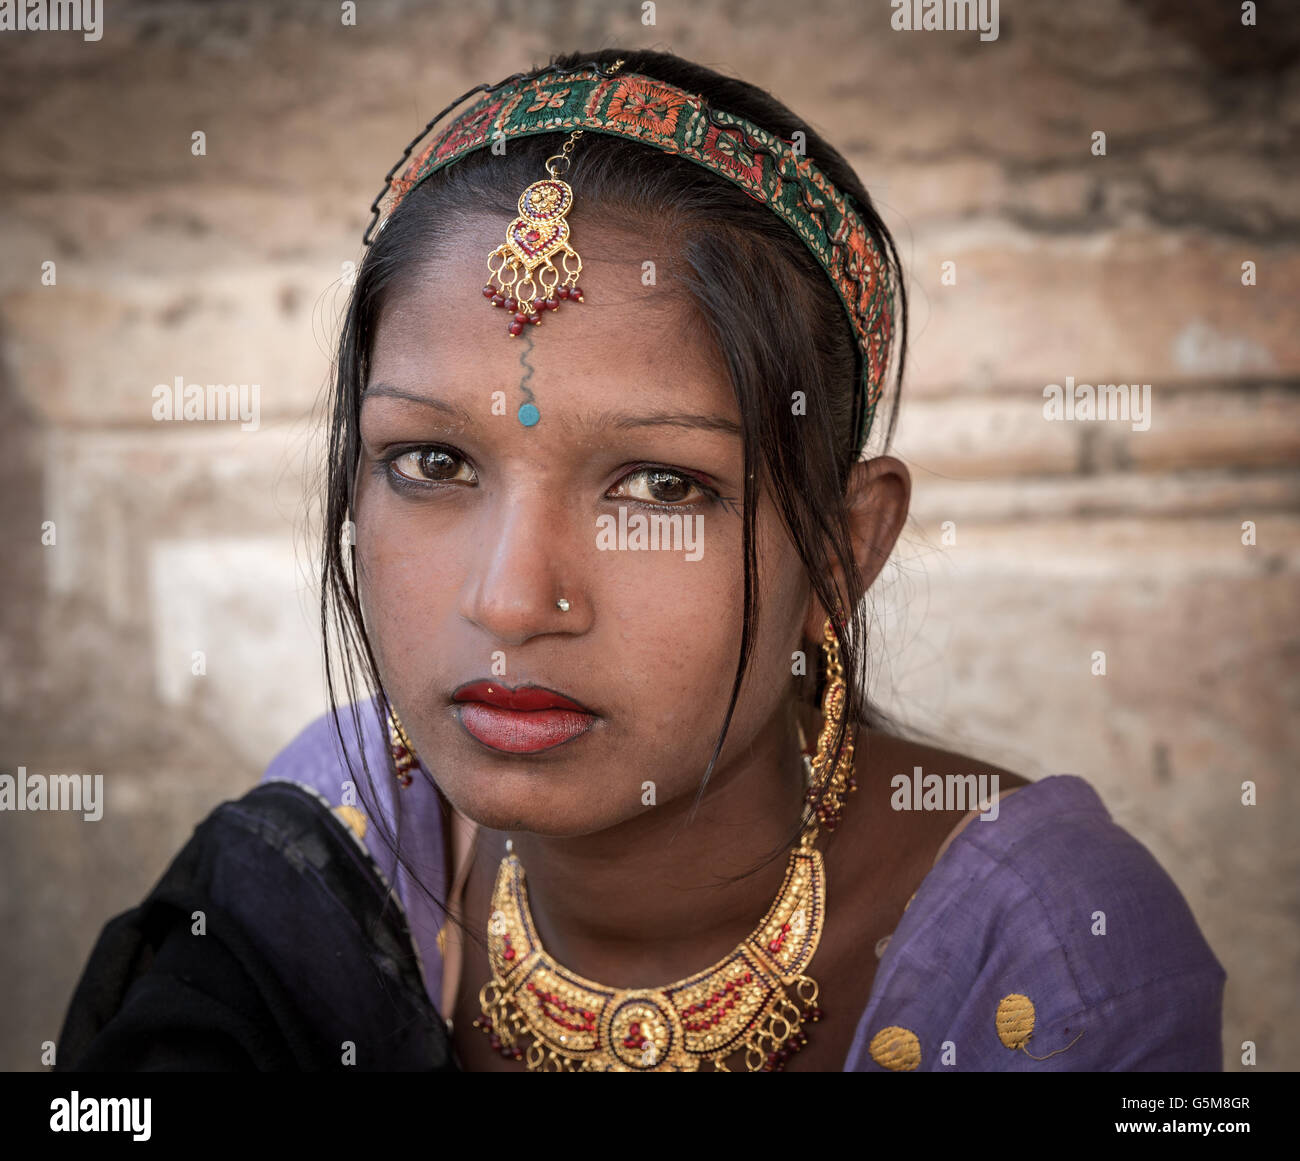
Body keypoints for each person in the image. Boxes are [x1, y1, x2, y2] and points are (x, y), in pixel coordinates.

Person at [58, 47, 1224, 1073]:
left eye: (661, 487)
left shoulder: (1051, 956)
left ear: (842, 551)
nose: (511, 600)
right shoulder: (339, 828)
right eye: (429, 462)